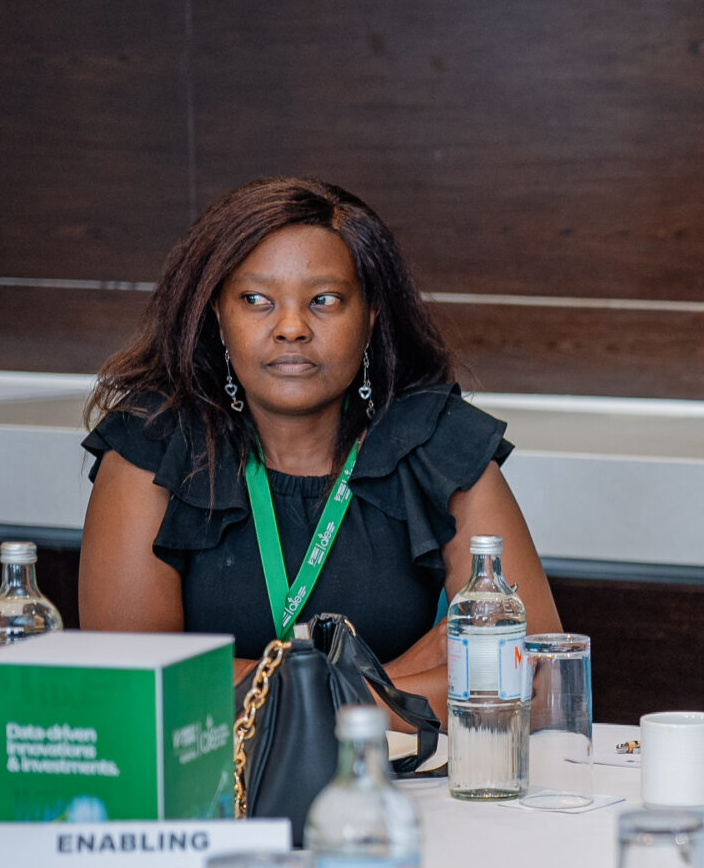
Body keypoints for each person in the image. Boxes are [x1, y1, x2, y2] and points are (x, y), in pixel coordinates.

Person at [79, 177, 556, 715]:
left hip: (391, 768)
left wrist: (261, 691)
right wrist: (380, 686)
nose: (291, 328)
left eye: (324, 300)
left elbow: (535, 677)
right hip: (211, 770)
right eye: (256, 300)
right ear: (218, 314)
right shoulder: (152, 443)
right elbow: (130, 682)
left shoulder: (437, 442)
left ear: (370, 314)